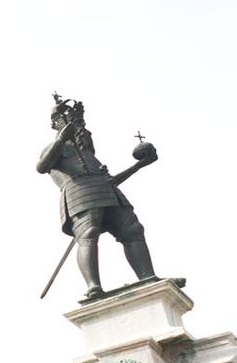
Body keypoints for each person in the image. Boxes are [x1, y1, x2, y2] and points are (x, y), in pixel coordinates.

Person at [37, 96, 158, 300]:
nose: (78, 127)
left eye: (78, 122)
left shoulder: (88, 154)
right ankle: (93, 286)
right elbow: (42, 167)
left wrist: (139, 165)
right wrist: (61, 139)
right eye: (70, 121)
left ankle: (148, 277)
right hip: (79, 193)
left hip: (107, 191)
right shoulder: (56, 149)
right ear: (56, 124)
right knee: (89, 232)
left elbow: (111, 181)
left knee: (133, 229)